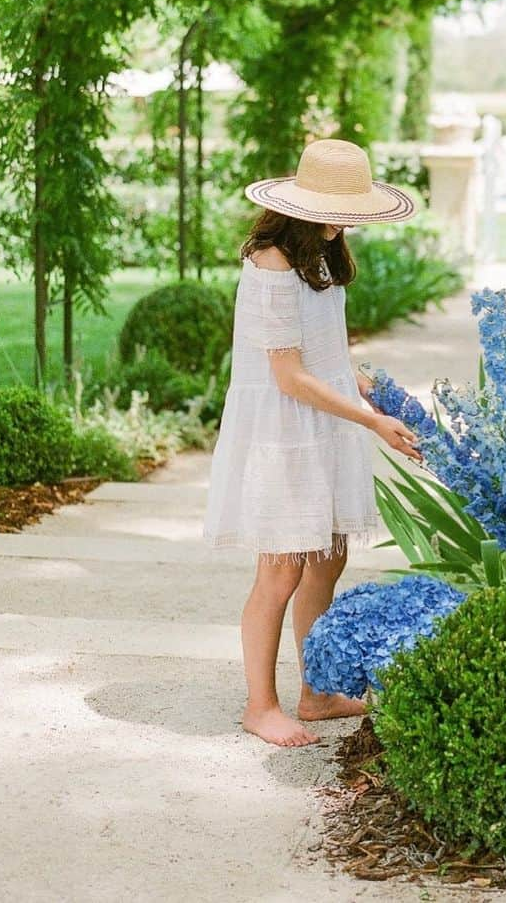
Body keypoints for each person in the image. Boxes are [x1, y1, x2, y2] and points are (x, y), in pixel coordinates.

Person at [202, 138, 423, 748]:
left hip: (323, 421)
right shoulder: (272, 262)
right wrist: (369, 420)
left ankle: (317, 691)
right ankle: (260, 704)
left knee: (329, 556)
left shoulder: (321, 253)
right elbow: (288, 375)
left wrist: (372, 389)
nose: (347, 217)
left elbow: (325, 349)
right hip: (284, 428)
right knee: (282, 567)